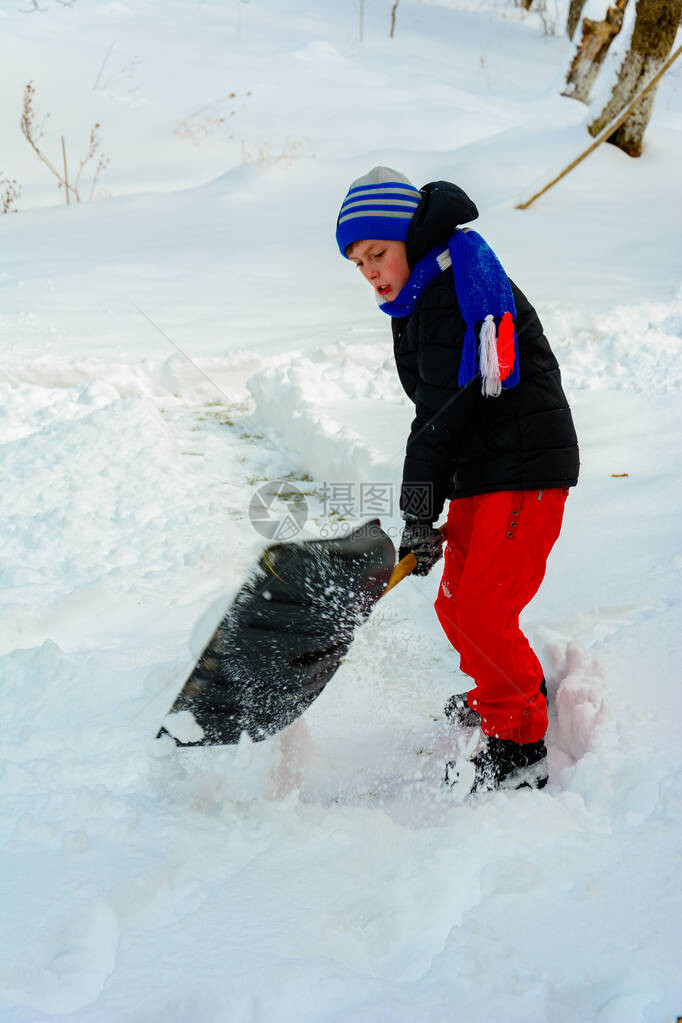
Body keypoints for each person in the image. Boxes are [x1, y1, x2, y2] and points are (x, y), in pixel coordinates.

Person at [335, 166, 579, 795]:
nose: (370, 273)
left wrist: (417, 512)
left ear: (409, 238)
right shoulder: (425, 291)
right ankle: (507, 692)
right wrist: (425, 507)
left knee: (484, 605)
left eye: (377, 253)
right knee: (456, 604)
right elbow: (439, 412)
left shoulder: (449, 289)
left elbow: (439, 417)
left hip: (522, 468)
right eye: (358, 264)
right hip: (485, 470)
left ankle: (521, 738)